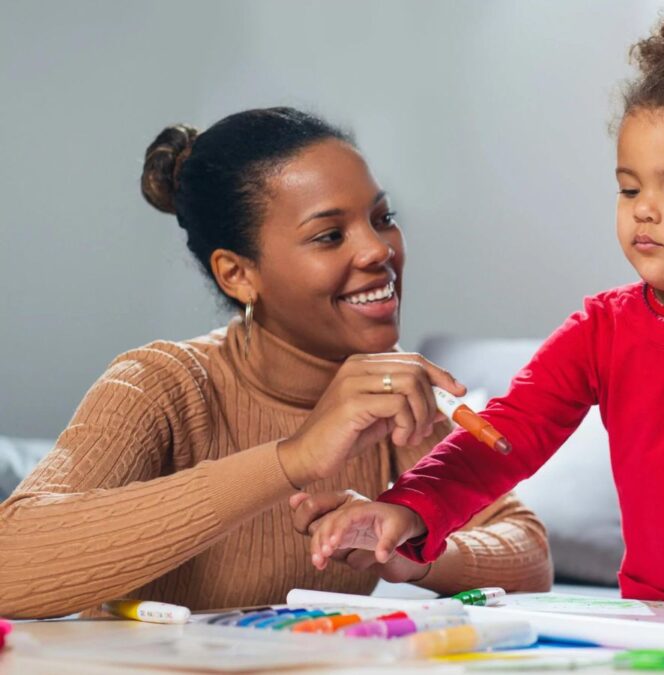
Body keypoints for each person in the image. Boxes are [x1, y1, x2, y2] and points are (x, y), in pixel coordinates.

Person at [306, 1, 664, 627]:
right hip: (658, 620)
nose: (645, 210)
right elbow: (505, 435)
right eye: (629, 188)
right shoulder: (600, 328)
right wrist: (411, 507)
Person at [0, 107, 552, 619]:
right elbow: (10, 567)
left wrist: (412, 550)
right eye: (330, 235)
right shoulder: (162, 384)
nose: (379, 250)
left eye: (383, 218)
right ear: (238, 274)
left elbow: (528, 553)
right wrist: (293, 457)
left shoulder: (393, 395)